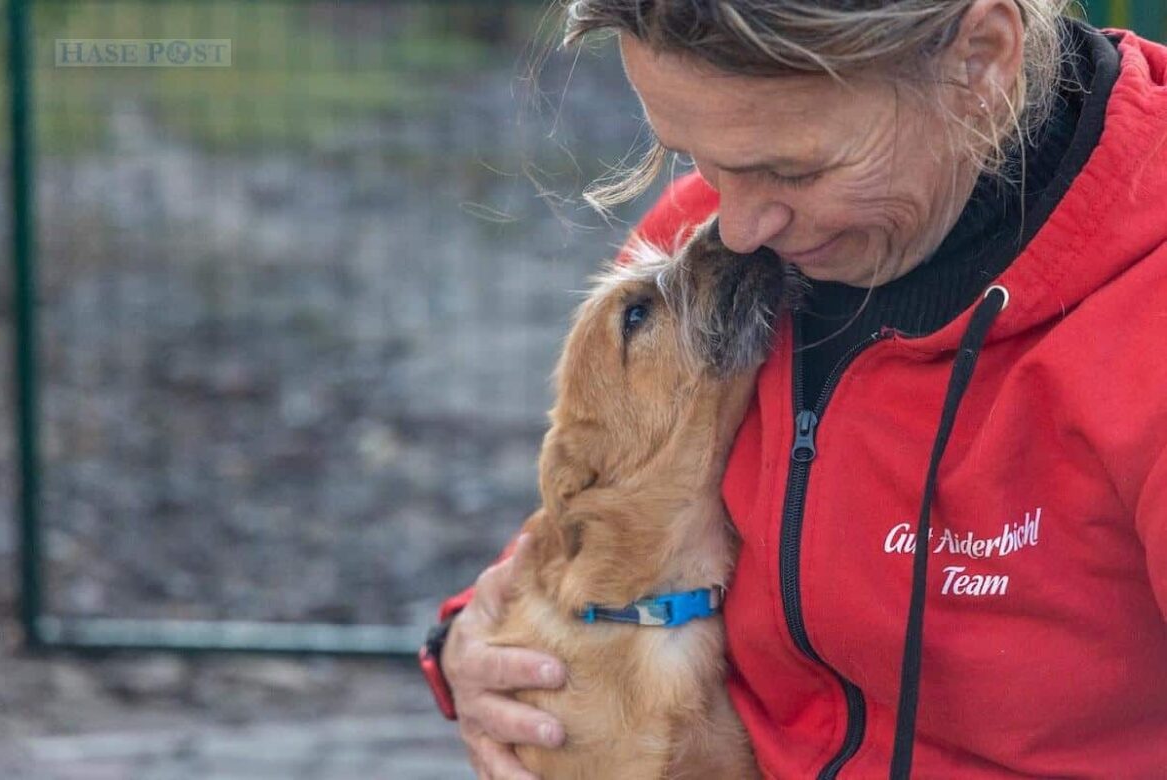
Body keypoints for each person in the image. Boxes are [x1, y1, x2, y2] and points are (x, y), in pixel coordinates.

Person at [418, 0, 1167, 777]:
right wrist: (476, 644)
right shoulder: (722, 246)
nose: (734, 226)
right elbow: (608, 488)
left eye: (791, 169)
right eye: (697, 158)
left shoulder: (1145, 310)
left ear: (979, 59)